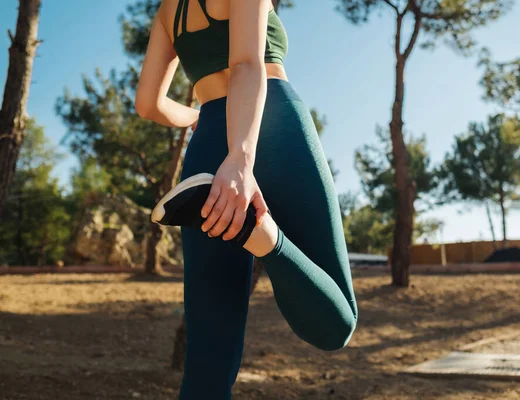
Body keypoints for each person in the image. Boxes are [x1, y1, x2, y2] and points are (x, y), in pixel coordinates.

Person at [135, 0, 358, 398]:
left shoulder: (170, 12)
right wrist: (240, 158)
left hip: (207, 149)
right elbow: (247, 64)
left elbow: (148, 105)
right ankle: (267, 239)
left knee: (208, 360)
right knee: (336, 325)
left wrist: (201, 117)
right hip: (274, 129)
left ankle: (259, 234)